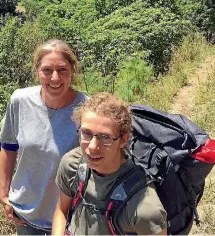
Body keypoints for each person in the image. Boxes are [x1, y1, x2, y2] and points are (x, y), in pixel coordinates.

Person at [0, 39, 88, 235]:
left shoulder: (86, 109)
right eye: (47, 70)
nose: (55, 78)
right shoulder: (20, 101)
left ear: (72, 70)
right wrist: (4, 194)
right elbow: (9, 145)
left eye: (62, 69)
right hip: (24, 214)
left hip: (68, 218)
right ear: (37, 71)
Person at [52, 92, 167, 235]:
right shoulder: (72, 164)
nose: (93, 146)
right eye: (86, 133)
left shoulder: (145, 210)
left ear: (123, 140)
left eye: (105, 137)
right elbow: (62, 210)